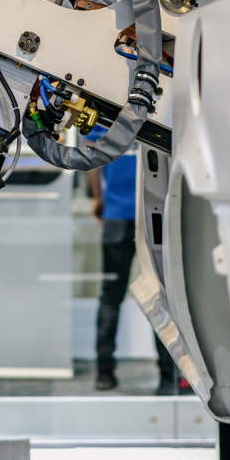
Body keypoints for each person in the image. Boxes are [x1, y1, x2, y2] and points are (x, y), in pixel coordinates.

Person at [89, 143, 178, 394]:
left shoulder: (105, 113)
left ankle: (104, 374)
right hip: (154, 216)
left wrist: (99, 199)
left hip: (116, 215)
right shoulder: (159, 111)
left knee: (110, 297)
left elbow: (91, 162)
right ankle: (168, 375)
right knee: (162, 296)